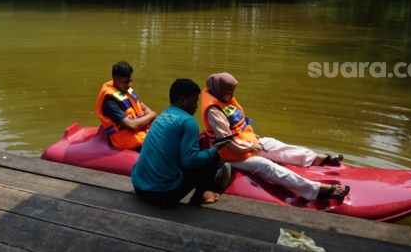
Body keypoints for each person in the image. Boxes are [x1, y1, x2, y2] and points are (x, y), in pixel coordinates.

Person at [201, 72, 350, 200]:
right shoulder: (214, 111)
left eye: (233, 90)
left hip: (243, 145)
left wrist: (252, 139)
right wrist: (251, 146)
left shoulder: (223, 99)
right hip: (229, 155)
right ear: (220, 90)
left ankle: (312, 158)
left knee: (273, 143)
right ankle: (316, 190)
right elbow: (227, 141)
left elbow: (239, 126)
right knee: (265, 166)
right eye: (230, 91)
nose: (232, 94)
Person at [131, 78, 232, 208]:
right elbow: (189, 161)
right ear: (183, 100)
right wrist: (214, 149)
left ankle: (210, 181)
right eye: (195, 101)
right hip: (161, 196)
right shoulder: (188, 121)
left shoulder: (163, 115)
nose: (196, 106)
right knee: (213, 157)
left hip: (139, 188)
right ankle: (198, 197)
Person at [95, 61, 157, 150]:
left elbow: (142, 105)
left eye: (130, 81)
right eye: (126, 82)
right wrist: (151, 115)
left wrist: (149, 114)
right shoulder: (109, 102)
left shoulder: (124, 89)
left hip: (139, 133)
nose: (129, 85)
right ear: (115, 80)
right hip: (127, 142)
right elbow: (131, 126)